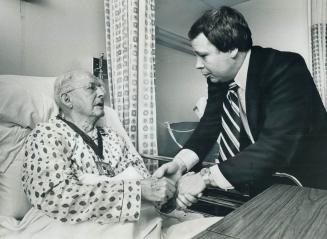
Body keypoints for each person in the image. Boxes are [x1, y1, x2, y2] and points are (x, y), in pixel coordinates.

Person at [154, 6, 327, 208]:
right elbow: (209, 125)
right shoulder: (218, 79)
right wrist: (180, 164)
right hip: (261, 179)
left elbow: (277, 145)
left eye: (203, 55)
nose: (197, 65)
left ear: (232, 49)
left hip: (308, 183)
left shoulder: (285, 68)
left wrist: (205, 178)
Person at [22, 70, 176, 224]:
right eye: (91, 87)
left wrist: (169, 192)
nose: (102, 92)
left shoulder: (114, 137)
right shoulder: (47, 135)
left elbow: (144, 180)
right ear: (67, 99)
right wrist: (135, 191)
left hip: (128, 222)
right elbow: (54, 199)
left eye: (101, 87)